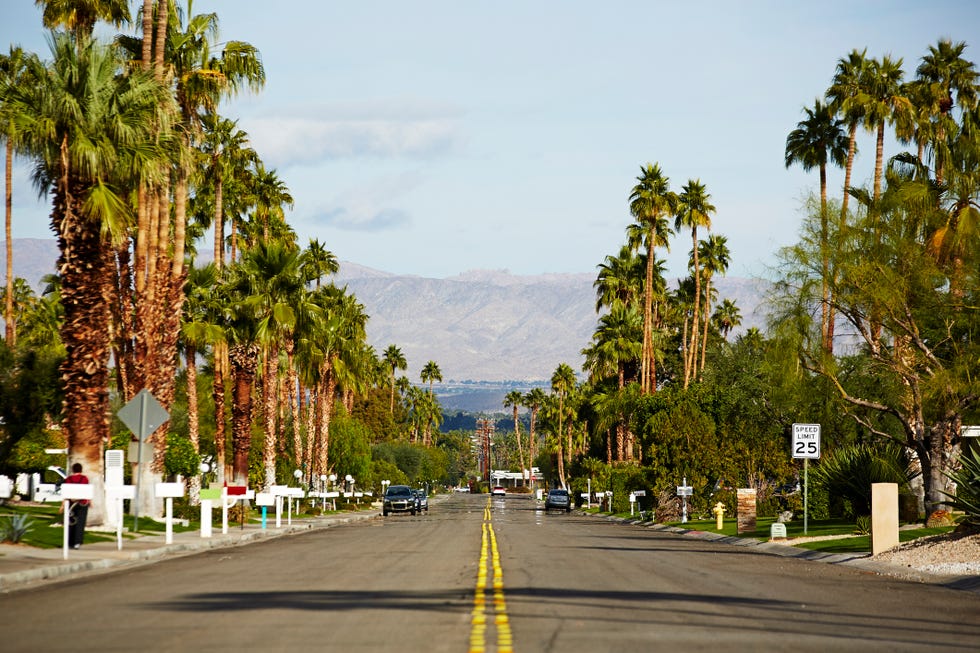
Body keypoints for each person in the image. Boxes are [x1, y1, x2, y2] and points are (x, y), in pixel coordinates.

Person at [61, 462, 90, 549]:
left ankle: (69, 542)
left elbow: (65, 493)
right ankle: (77, 542)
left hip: (71, 503)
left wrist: (62, 505)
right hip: (82, 503)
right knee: (80, 523)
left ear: (73, 469)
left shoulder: (68, 479)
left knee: (71, 523)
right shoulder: (84, 479)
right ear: (81, 470)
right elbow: (87, 491)